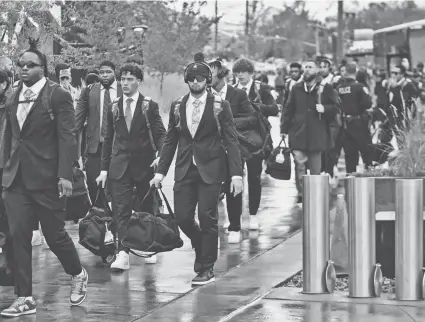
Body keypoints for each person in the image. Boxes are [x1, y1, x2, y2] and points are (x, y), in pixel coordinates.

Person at [1, 39, 87, 318]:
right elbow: (10, 136)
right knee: (17, 236)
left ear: (43, 69)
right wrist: (4, 171)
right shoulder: (13, 95)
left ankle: (77, 272)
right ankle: (24, 297)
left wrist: (65, 175)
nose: (24, 69)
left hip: (48, 178)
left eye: (30, 65)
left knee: (54, 235)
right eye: (20, 65)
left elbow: (67, 136)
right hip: (16, 180)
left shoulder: (57, 94)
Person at [150, 53, 243, 286]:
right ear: (187, 80)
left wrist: (236, 174)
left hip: (211, 169)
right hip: (184, 169)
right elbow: (170, 140)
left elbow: (231, 140)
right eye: (191, 78)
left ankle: (206, 267)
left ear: (207, 80)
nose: (195, 82)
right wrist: (160, 172)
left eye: (200, 78)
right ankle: (201, 243)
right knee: (182, 217)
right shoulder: (178, 105)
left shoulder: (221, 106)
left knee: (207, 217)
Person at [96, 64, 166, 270]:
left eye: (129, 79)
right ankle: (123, 253)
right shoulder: (114, 106)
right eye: (122, 79)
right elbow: (108, 139)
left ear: (138, 81)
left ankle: (147, 246)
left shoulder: (149, 106)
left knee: (147, 207)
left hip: (144, 164)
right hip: (119, 166)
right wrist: (103, 170)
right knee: (121, 210)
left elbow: (161, 133)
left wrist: (161, 155)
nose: (125, 83)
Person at [209, 58, 256, 243]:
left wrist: (229, 123)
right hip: (210, 149)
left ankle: (235, 226)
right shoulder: (203, 95)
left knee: (233, 185)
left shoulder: (237, 94)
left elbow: (251, 118)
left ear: (221, 75)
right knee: (211, 188)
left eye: (210, 74)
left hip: (233, 147)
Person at [281, 60, 339, 204]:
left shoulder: (325, 88)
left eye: (310, 67)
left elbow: (336, 107)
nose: (307, 70)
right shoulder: (296, 88)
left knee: (315, 170)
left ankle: (314, 197)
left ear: (317, 70)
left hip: (317, 135)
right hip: (298, 133)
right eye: (305, 67)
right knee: (299, 165)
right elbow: (288, 109)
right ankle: (302, 193)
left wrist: (325, 108)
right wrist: (283, 129)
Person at [232, 58, 279, 229]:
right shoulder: (231, 89)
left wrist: (257, 107)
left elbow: (274, 109)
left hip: (256, 141)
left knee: (254, 178)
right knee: (234, 178)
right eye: (237, 72)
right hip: (235, 139)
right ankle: (234, 217)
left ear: (251, 72)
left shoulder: (262, 88)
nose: (240, 75)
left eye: (243, 72)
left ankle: (253, 214)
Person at [75, 61, 122, 204]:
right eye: (102, 72)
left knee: (117, 189)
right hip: (96, 148)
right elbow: (77, 121)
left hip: (118, 148)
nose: (105, 75)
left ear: (115, 72)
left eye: (108, 72)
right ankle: (99, 220)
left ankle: (116, 221)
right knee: (94, 187)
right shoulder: (89, 91)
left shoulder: (123, 89)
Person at [336, 62, 373, 174]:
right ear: (355, 72)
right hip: (359, 123)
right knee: (366, 150)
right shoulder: (360, 87)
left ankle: (350, 177)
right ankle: (369, 173)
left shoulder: (339, 88)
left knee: (350, 154)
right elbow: (368, 104)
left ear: (345, 72)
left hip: (345, 124)